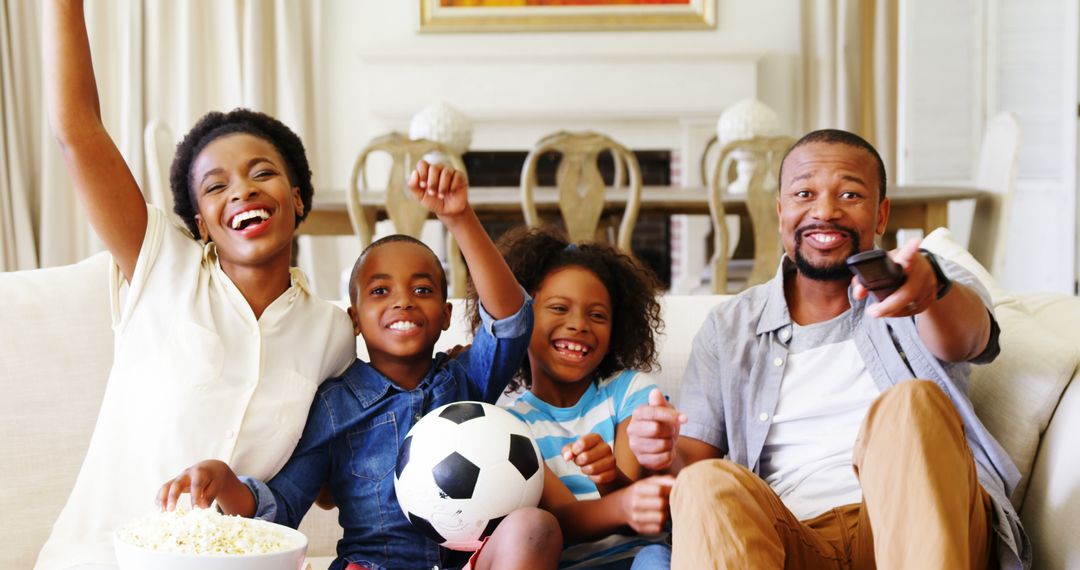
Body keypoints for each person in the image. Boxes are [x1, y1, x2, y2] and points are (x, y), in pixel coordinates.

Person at [37, 2, 355, 568]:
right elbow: (78, 133)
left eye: (263, 173)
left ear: (298, 197)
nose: (243, 191)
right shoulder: (161, 264)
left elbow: (327, 478)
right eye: (216, 186)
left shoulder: (331, 329)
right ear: (201, 223)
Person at [627, 129, 1028, 569]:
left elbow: (969, 337)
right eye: (804, 193)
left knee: (911, 402)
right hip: (790, 542)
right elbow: (691, 464)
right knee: (705, 480)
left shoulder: (925, 280)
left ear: (880, 214)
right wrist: (661, 452)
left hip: (917, 531)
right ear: (781, 212)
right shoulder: (730, 327)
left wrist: (930, 289)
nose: (825, 211)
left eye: (850, 194)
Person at [157, 161, 562, 570]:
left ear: (445, 315)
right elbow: (281, 510)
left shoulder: (466, 380)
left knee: (535, 526)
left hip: (468, 561)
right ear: (354, 319)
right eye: (380, 291)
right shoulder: (335, 405)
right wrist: (224, 479)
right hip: (373, 566)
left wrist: (458, 218)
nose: (402, 301)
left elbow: (511, 324)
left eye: (422, 289)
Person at [483, 227, 674, 569]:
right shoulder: (510, 426)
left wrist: (608, 476)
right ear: (525, 317)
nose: (578, 325)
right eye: (559, 308)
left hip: (636, 559)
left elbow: (632, 516)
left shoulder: (631, 391)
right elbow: (563, 520)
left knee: (657, 558)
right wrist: (622, 500)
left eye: (597, 315)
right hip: (564, 563)